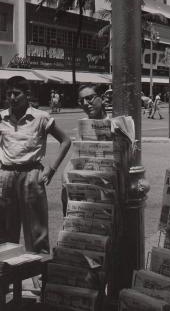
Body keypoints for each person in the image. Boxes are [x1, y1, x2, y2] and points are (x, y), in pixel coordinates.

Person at [0, 76, 71, 253]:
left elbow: (65, 140)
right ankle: (8, 276)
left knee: (36, 232)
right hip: (6, 176)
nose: (12, 98)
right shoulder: (1, 117)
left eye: (16, 94)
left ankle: (40, 276)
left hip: (31, 176)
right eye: (8, 94)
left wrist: (52, 169)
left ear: (27, 94)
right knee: (5, 233)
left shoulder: (41, 117)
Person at [61, 84, 108, 215]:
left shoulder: (114, 124)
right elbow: (75, 155)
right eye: (81, 100)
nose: (86, 103)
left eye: (90, 98)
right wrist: (65, 173)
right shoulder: (82, 124)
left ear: (102, 99)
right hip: (84, 180)